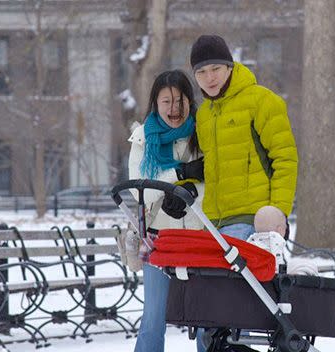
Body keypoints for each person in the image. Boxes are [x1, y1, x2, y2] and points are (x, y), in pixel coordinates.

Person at [185, 34, 299, 352]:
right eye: (202, 72)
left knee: (225, 314)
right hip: (214, 224)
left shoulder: (262, 101)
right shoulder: (205, 116)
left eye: (216, 69)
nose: (209, 78)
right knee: (209, 316)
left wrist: (277, 214)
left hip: (252, 222)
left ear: (230, 66)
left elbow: (285, 159)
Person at [127, 69, 205, 352]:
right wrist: (180, 177)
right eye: (166, 102)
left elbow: (214, 179)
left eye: (180, 101)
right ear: (155, 103)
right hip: (158, 237)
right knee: (153, 317)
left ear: (190, 100)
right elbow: (142, 190)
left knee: (208, 314)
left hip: (200, 235)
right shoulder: (143, 140)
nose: (174, 109)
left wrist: (193, 194)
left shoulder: (203, 132)